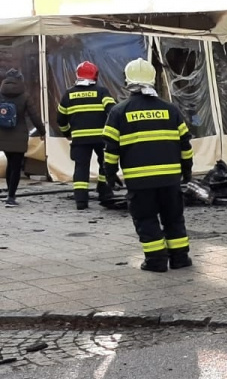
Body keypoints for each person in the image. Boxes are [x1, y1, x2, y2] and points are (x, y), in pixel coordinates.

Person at [103, 59, 194, 273]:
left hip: (139, 180)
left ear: (128, 81)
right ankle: (180, 258)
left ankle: (156, 261)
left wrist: (109, 174)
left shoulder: (118, 112)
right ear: (152, 81)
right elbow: (185, 144)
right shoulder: (171, 110)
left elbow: (110, 149)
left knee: (146, 219)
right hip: (170, 179)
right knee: (174, 218)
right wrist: (187, 170)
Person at [56, 61, 117, 210]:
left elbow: (60, 119)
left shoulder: (68, 95)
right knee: (105, 164)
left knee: (81, 167)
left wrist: (67, 133)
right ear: (95, 76)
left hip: (80, 139)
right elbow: (113, 111)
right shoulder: (102, 92)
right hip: (101, 138)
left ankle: (81, 201)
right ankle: (104, 192)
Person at [0, 69, 45, 207]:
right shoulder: (25, 96)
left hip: (3, 134)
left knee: (9, 163)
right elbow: (35, 116)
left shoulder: (0, 94)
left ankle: (9, 192)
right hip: (19, 135)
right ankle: (11, 197)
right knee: (16, 166)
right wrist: (42, 131)